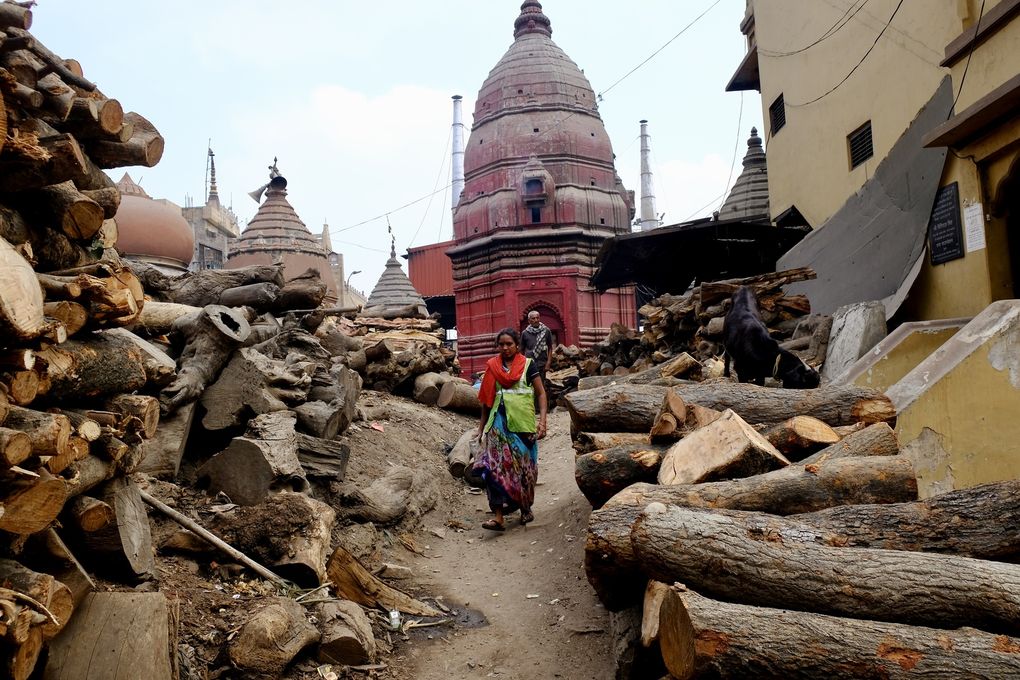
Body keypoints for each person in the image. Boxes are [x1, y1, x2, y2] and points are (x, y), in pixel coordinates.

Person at [473, 328, 548, 532]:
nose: (505, 348)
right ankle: (498, 516)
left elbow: (541, 394)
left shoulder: (528, 365)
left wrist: (543, 421)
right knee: (493, 467)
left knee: (525, 468)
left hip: (523, 426)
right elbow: (486, 402)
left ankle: (525, 508)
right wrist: (481, 430)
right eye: (501, 344)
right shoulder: (492, 367)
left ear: (517, 345)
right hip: (498, 425)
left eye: (509, 344)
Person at [521, 311, 551, 380]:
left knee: (542, 384)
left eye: (537, 318)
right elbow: (521, 349)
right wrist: (521, 364)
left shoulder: (546, 331)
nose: (536, 320)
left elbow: (550, 347)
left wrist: (548, 363)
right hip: (529, 363)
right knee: (531, 384)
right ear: (529, 321)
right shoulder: (525, 333)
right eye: (533, 318)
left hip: (542, 363)